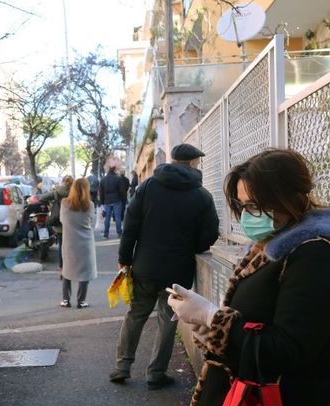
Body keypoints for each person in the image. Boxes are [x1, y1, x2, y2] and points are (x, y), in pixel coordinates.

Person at [167, 149, 330, 406]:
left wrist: (212, 316)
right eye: (243, 206)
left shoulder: (315, 257)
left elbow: (288, 350)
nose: (248, 216)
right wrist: (205, 319)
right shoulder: (276, 244)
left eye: (257, 205)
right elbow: (252, 323)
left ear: (288, 196)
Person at [109, 143, 219, 390]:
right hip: (178, 272)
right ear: (192, 164)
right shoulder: (202, 195)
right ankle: (155, 374)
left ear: (173, 160)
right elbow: (209, 234)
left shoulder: (148, 186)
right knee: (168, 320)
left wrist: (125, 258)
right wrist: (194, 246)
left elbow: (131, 226)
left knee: (135, 315)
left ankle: (121, 367)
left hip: (145, 267)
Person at [59, 178, 97, 309]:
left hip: (69, 241)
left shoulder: (64, 203)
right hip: (85, 242)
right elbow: (93, 223)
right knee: (85, 271)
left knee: (67, 269)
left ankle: (65, 300)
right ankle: (81, 301)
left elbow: (62, 220)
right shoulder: (89, 205)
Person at [39, 175, 74, 273]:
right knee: (71, 247)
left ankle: (62, 268)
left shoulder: (56, 192)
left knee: (62, 246)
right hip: (72, 224)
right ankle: (71, 268)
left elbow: (42, 198)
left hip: (58, 223)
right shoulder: (75, 193)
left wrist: (51, 205)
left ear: (63, 182)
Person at [99, 163, 123, 239]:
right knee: (117, 217)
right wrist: (122, 200)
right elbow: (121, 191)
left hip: (107, 201)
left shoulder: (103, 179)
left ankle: (106, 234)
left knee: (107, 218)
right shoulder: (118, 178)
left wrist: (102, 202)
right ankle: (119, 233)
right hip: (117, 200)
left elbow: (101, 192)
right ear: (115, 169)